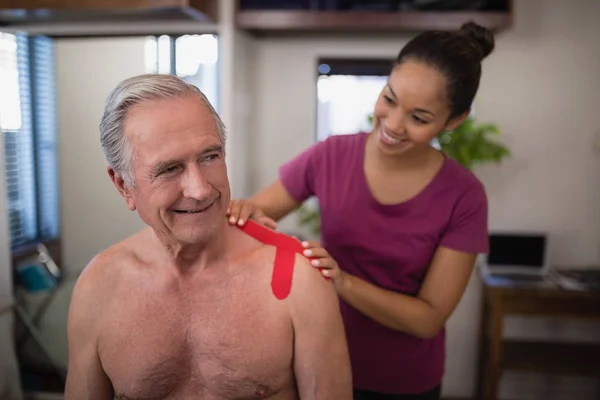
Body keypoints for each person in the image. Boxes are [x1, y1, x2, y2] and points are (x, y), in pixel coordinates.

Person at [227, 21, 494, 400]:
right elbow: (257, 212)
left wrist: (342, 280)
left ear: (455, 120)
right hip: (317, 362)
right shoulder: (330, 155)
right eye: (390, 98)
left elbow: (428, 318)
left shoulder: (465, 197)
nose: (394, 124)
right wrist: (245, 211)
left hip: (403, 381)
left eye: (419, 118)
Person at [64, 74, 353, 400]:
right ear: (122, 186)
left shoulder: (299, 278)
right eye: (169, 169)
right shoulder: (99, 287)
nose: (200, 190)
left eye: (210, 157)